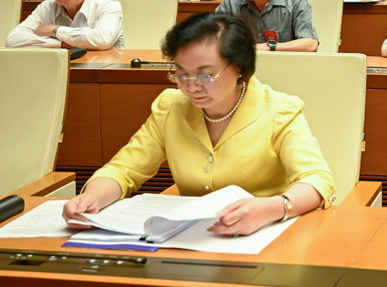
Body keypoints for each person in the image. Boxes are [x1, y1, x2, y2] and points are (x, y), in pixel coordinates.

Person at [62, 13, 335, 237]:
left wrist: (273, 208)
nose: (191, 86)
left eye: (205, 75)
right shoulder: (171, 107)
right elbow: (124, 169)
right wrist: (93, 198)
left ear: (239, 66)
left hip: (268, 234)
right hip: (191, 238)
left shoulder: (279, 110)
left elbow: (316, 179)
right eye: (181, 73)